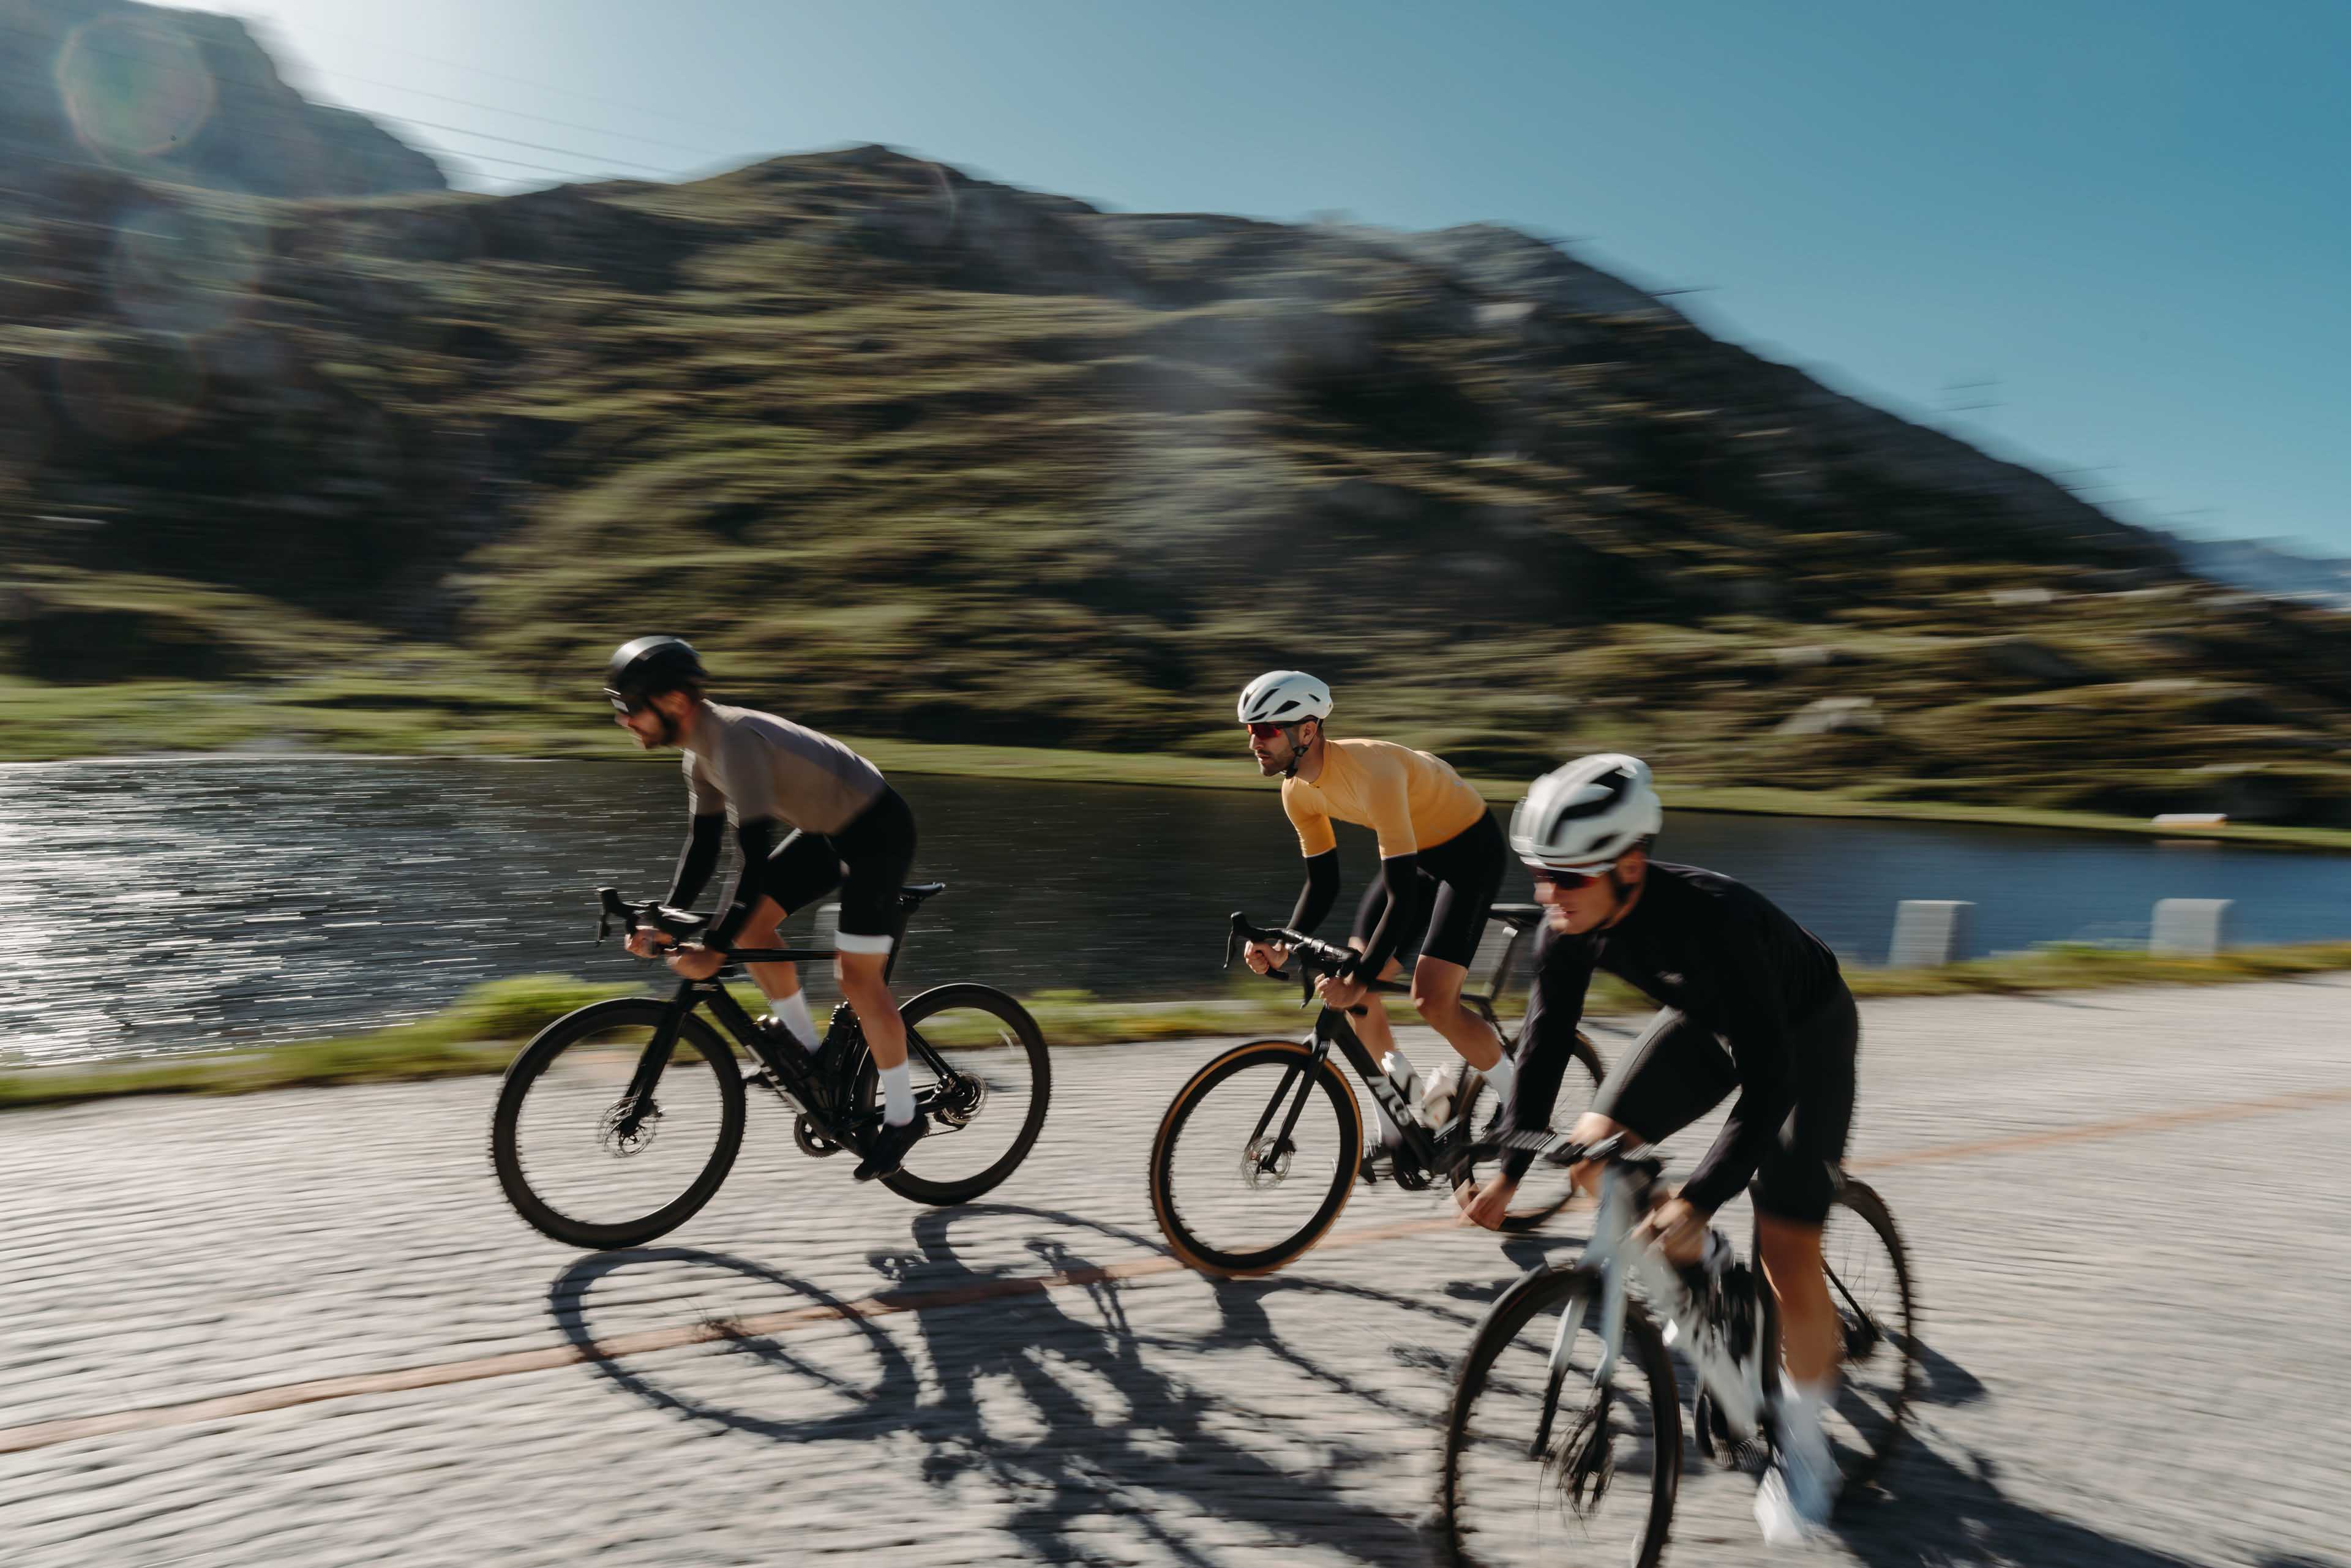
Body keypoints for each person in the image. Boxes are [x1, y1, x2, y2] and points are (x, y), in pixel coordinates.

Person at [1455, 752, 1859, 1544]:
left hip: (1802, 1037)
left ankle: (1807, 1450)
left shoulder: (1719, 922)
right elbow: (1541, 1047)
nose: (1548, 894)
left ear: (1629, 864)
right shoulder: (1571, 923)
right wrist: (1506, 1171)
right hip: (1707, 1025)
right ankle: (1710, 1276)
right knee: (1586, 1151)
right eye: (1539, 873)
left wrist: (1697, 1196)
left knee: (1787, 1247)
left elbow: (1770, 1079)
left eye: (1566, 878)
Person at [604, 635, 926, 1181]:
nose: (623, 721)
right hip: (828, 828)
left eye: (629, 708)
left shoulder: (735, 742)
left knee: (856, 978)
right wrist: (665, 919)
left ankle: (903, 1115)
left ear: (675, 703)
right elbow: (703, 848)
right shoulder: (699, 756)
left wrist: (713, 947)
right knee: (752, 927)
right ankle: (808, 1057)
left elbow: (751, 859)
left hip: (877, 830)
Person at [1232, 670, 1513, 1160]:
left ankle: (1520, 1098)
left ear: (1307, 730)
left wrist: (1359, 978)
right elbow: (1323, 884)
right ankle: (1402, 1121)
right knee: (1357, 993)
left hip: (1469, 853)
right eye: (1251, 730)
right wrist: (1283, 943)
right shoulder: (1296, 790)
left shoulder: (1372, 770)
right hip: (1416, 858)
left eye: (1267, 729)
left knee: (1432, 1001)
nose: (1255, 740)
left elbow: (1402, 899)